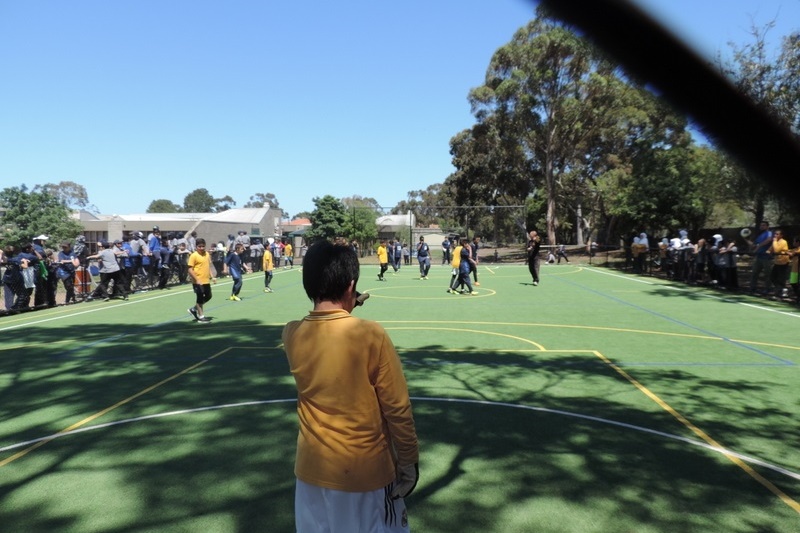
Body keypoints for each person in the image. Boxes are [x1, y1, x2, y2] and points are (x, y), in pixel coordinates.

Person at [282, 240, 419, 533]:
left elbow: (325, 323)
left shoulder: (292, 333)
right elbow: (397, 408)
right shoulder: (371, 334)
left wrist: (347, 301)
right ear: (351, 285)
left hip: (310, 473)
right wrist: (408, 462)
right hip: (364, 475)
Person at [187, 238, 215, 322]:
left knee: (209, 296)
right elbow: (190, 269)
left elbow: (208, 266)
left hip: (206, 280)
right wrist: (197, 279)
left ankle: (194, 309)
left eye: (203, 246)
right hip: (197, 281)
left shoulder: (207, 254)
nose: (202, 248)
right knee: (199, 298)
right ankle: (201, 317)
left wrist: (213, 276)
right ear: (196, 247)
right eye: (200, 246)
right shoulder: (193, 255)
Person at [747, 220, 773, 294]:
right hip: (759, 257)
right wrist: (746, 239)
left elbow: (768, 240)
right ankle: (752, 288)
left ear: (767, 226)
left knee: (767, 274)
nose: (762, 226)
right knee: (754, 273)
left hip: (766, 257)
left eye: (764, 225)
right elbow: (753, 245)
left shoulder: (769, 233)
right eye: (761, 225)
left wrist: (759, 246)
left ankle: (768, 289)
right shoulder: (760, 236)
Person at [767, 229, 789, 299]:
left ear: (781, 235)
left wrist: (774, 241)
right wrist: (768, 251)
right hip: (777, 262)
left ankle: (780, 293)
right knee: (772, 277)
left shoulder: (783, 242)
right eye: (775, 234)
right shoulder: (776, 242)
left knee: (781, 278)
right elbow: (770, 249)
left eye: (777, 234)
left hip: (783, 262)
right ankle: (780, 289)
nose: (775, 235)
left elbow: (776, 250)